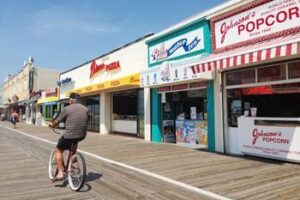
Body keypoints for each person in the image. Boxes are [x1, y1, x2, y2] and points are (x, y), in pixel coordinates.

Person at [49, 93, 89, 181]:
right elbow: (88, 119)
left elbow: (57, 121)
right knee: (74, 144)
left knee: (58, 150)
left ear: (70, 100)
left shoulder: (67, 109)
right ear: (78, 101)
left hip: (69, 135)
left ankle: (60, 173)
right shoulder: (85, 109)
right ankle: (74, 163)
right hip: (81, 135)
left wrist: (52, 124)